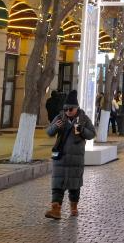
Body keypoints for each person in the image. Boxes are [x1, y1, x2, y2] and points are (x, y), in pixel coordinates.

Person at [44, 90, 95, 219]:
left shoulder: (83, 118)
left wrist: (82, 130)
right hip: (60, 157)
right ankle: (55, 210)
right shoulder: (60, 117)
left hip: (76, 158)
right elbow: (49, 132)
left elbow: (92, 134)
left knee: (74, 185)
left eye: (70, 109)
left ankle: (74, 208)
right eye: (65, 109)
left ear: (76, 108)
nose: (67, 112)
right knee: (57, 184)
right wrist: (55, 127)